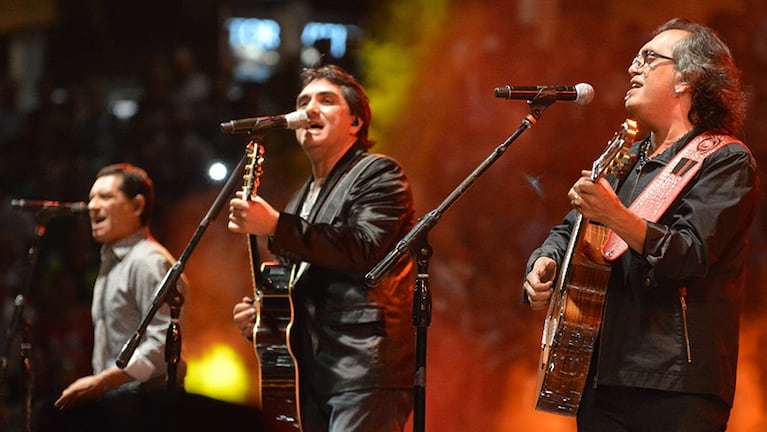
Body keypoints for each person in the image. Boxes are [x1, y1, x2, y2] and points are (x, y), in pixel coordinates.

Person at [523, 18, 759, 431]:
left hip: (674, 385)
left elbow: (690, 254)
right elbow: (568, 232)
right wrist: (544, 262)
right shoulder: (623, 160)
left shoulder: (725, 160)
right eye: (635, 58)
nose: (633, 68)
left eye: (648, 59)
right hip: (600, 378)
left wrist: (615, 215)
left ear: (687, 78)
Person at [229, 64, 416, 432]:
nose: (310, 109)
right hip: (310, 373)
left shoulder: (380, 175)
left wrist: (275, 225)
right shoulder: (300, 198)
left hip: (362, 369)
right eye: (303, 101)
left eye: (326, 100)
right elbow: (302, 280)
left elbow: (364, 248)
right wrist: (266, 315)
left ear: (356, 123)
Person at [53, 163, 187, 412]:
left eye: (105, 197)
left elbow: (162, 347)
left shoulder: (149, 262)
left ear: (137, 205)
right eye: (91, 198)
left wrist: (103, 381)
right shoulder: (112, 262)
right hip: (120, 406)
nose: (92, 206)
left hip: (148, 408)